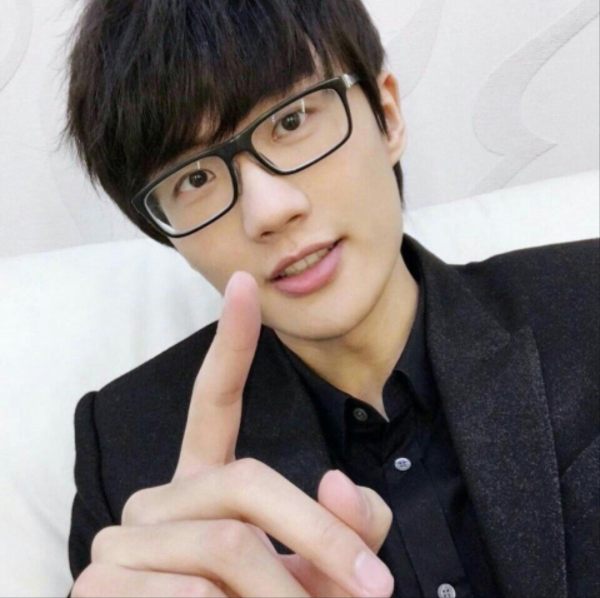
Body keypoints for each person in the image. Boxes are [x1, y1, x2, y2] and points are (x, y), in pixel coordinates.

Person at [65, 1, 599, 597]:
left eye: (292, 121)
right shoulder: (128, 459)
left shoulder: (588, 301)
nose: (269, 211)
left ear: (387, 116)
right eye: (195, 178)